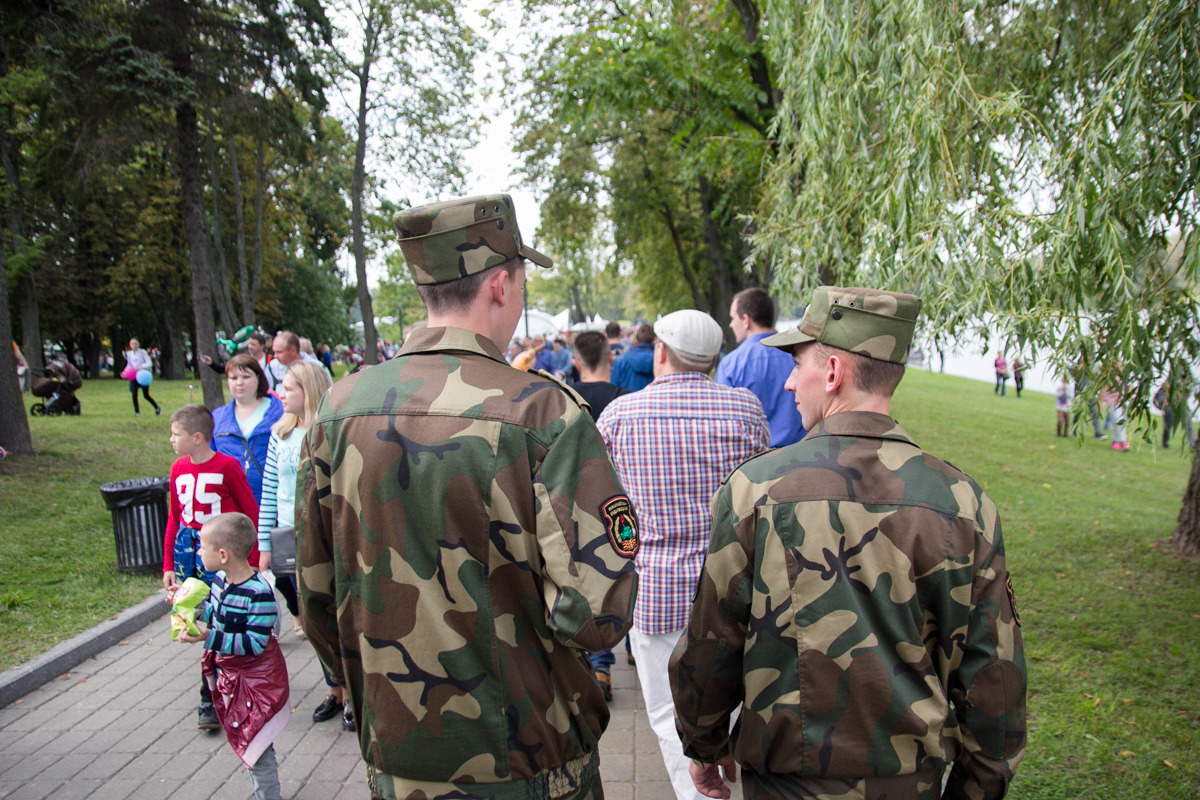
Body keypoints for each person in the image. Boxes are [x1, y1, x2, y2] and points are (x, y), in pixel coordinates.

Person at [298, 193, 638, 800]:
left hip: (399, 758)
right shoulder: (542, 412)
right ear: (502, 286)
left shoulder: (337, 409)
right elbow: (596, 612)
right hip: (532, 758)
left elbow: (317, 595)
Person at [670, 286, 1027, 800]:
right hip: (910, 783)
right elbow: (994, 675)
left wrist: (703, 746)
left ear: (833, 372)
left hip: (786, 782)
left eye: (799, 364)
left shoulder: (756, 490)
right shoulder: (963, 503)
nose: (791, 381)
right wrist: (977, 787)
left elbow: (712, 642)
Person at [595, 309, 769, 800]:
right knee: (729, 707)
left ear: (661, 353)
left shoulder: (621, 416)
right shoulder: (745, 412)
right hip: (732, 591)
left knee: (666, 716)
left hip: (657, 590)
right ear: (714, 359)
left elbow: (607, 508)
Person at [254, 361, 350, 729]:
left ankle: (350, 696)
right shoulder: (281, 435)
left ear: (308, 391)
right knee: (310, 618)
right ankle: (335, 689)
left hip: (325, 537)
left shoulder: (331, 430)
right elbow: (268, 492)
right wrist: (264, 542)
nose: (280, 393)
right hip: (290, 537)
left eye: (288, 387)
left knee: (335, 617)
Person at [163, 403, 260, 731]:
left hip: (224, 557)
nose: (172, 440)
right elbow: (174, 517)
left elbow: (250, 513)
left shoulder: (228, 466)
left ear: (198, 437)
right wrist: (168, 566)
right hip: (189, 554)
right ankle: (213, 687)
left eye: (176, 434)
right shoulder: (178, 469)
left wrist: (253, 560)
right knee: (188, 617)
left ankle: (216, 691)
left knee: (220, 621)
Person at [180, 512, 288, 800]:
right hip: (236, 681)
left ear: (223, 554)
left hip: (258, 684)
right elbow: (217, 616)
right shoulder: (219, 581)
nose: (199, 551)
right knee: (248, 742)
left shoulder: (259, 594)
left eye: (202, 547)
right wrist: (187, 607)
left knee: (258, 747)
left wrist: (209, 637)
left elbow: (253, 643)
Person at [566, 330, 633, 700]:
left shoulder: (565, 399)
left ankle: (598, 666)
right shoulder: (625, 400)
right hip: (620, 503)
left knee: (590, 581)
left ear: (576, 363)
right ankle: (630, 648)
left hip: (578, 504)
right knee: (621, 573)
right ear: (611, 357)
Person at [716, 287, 806, 447]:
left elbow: (725, 423)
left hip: (756, 460)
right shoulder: (799, 356)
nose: (730, 324)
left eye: (733, 318)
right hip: (802, 455)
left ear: (746, 320)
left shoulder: (731, 365)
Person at [211, 354, 283, 504]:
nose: (239, 383)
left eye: (246, 377)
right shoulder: (217, 417)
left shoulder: (281, 412)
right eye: (233, 378)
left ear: (258, 377)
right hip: (229, 502)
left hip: (271, 500)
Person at [611, 323, 656, 392]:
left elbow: (614, 389)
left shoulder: (620, 362)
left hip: (625, 400)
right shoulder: (660, 361)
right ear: (654, 339)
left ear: (637, 338)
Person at [125, 338, 161, 417]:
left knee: (146, 395)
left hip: (143, 375)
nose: (134, 346)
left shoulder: (142, 352)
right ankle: (137, 412)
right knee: (134, 394)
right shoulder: (129, 353)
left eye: (135, 344)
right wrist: (125, 372)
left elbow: (149, 363)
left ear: (138, 344)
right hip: (134, 376)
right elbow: (129, 364)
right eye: (132, 344)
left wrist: (141, 367)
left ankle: (157, 408)